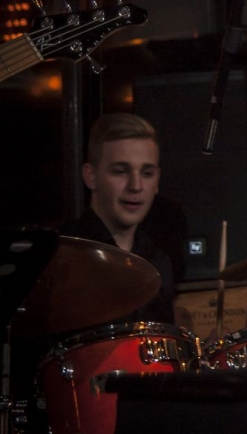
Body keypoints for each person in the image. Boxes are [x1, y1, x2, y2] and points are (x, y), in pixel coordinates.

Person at [60, 112, 175, 324]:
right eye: (121, 171)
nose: (136, 186)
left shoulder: (159, 261)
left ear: (157, 181)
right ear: (91, 177)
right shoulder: (62, 256)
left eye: (147, 173)